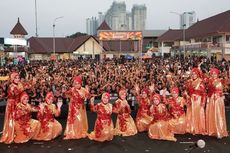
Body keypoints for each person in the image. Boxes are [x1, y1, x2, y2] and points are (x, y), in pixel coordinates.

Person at [0, 72, 36, 144]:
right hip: (12, 104)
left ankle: (17, 133)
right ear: (12, 78)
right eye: (15, 78)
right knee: (11, 119)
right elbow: (16, 93)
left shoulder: (19, 84)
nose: (17, 79)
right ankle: (10, 134)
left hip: (17, 102)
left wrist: (32, 82)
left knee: (18, 119)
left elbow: (26, 86)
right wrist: (26, 86)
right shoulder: (11, 86)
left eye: (18, 78)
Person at [206, 68, 228, 138]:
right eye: (212, 74)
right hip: (212, 99)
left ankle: (219, 131)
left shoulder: (221, 81)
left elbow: (222, 90)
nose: (213, 75)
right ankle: (212, 130)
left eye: (215, 74)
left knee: (218, 114)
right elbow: (209, 91)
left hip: (218, 100)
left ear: (217, 74)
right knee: (212, 114)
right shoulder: (210, 81)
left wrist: (219, 95)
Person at [185, 68, 206, 135]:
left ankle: (198, 128)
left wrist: (203, 102)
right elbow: (186, 91)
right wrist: (187, 95)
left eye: (195, 74)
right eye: (192, 74)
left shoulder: (200, 81)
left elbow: (204, 93)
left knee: (198, 113)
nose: (193, 75)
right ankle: (191, 128)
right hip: (191, 100)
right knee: (191, 114)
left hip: (198, 100)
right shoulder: (189, 81)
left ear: (197, 74)